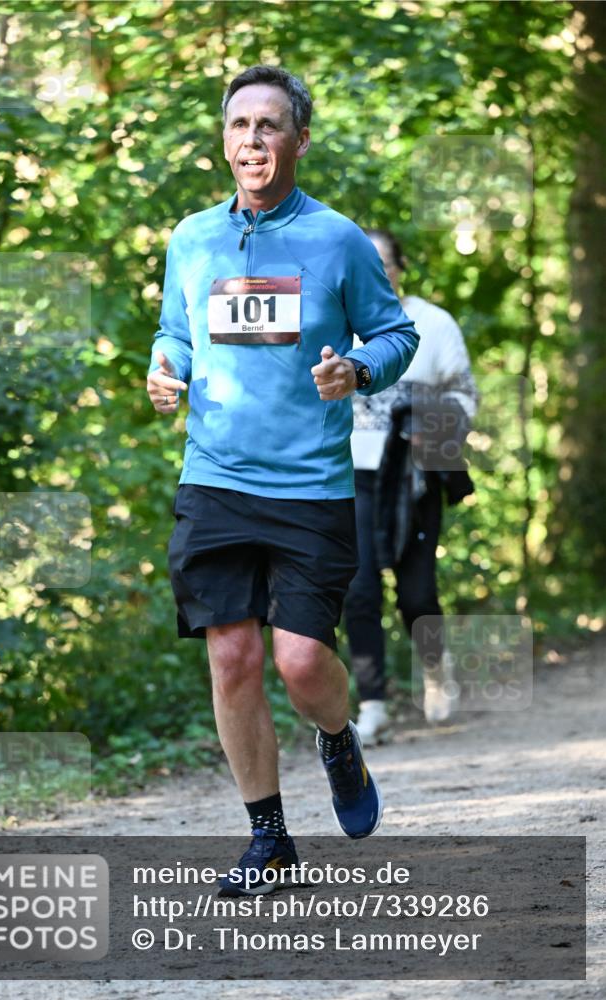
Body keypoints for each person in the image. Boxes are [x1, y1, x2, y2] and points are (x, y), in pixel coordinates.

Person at [146, 66, 419, 896]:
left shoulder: (336, 240)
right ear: (223, 141)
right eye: (239, 126)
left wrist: (358, 371)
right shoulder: (192, 237)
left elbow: (394, 333)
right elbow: (175, 332)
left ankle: (336, 738)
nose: (252, 141)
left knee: (301, 663)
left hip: (308, 485)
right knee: (231, 657)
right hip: (215, 479)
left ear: (299, 139)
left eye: (269, 126)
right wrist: (165, 371)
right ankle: (268, 836)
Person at [345, 230, 478, 745]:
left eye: (384, 262)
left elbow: (464, 394)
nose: (376, 271)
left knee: (417, 593)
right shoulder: (336, 318)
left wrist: (435, 427)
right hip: (350, 474)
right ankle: (373, 704)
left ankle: (435, 668)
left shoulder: (434, 323)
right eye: (365, 262)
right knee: (358, 591)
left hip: (415, 476)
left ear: (401, 267)